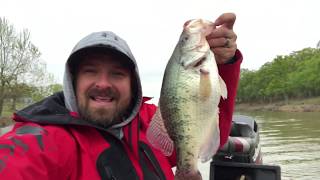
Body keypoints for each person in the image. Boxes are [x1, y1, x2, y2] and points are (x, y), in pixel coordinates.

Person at [0, 13, 242, 180]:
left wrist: (226, 64)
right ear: (72, 81)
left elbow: (208, 130)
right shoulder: (42, 140)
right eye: (90, 71)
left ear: (133, 83)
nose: (103, 83)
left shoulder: (150, 121)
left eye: (117, 74)